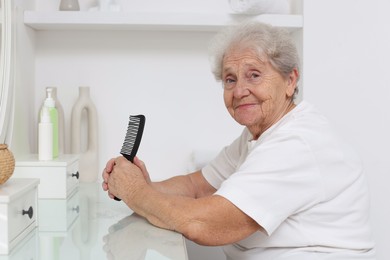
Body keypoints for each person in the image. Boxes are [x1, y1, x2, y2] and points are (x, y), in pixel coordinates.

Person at [102, 21, 376, 259]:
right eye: (230, 80)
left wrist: (136, 192)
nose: (240, 90)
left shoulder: (297, 143)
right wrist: (141, 184)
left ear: (290, 81)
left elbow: (202, 224)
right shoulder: (258, 135)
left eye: (254, 75)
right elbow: (196, 187)